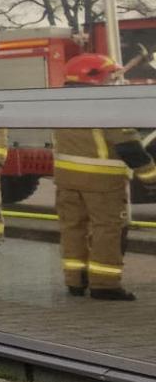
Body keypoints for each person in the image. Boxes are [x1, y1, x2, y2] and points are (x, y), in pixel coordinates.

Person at [55, 54, 156, 300]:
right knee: (108, 230)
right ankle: (105, 284)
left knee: (73, 228)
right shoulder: (105, 104)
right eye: (111, 77)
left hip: (66, 180)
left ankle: (75, 280)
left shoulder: (58, 102)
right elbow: (128, 146)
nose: (114, 82)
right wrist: (151, 177)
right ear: (94, 77)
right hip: (102, 183)